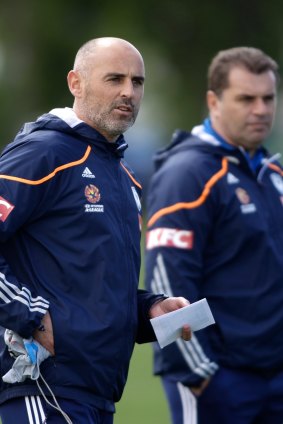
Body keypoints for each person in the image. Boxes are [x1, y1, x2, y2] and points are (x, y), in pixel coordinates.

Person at [0, 37, 191, 424]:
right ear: (76, 83)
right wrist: (32, 317)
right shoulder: (43, 154)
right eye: (114, 79)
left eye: (137, 82)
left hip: (97, 394)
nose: (128, 92)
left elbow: (90, 285)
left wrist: (149, 309)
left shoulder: (125, 178)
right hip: (43, 388)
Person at [145, 46, 283, 424]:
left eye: (268, 98)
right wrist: (197, 372)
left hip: (273, 377)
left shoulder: (272, 173)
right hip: (219, 379)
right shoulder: (188, 173)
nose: (260, 109)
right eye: (246, 99)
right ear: (213, 101)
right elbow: (167, 278)